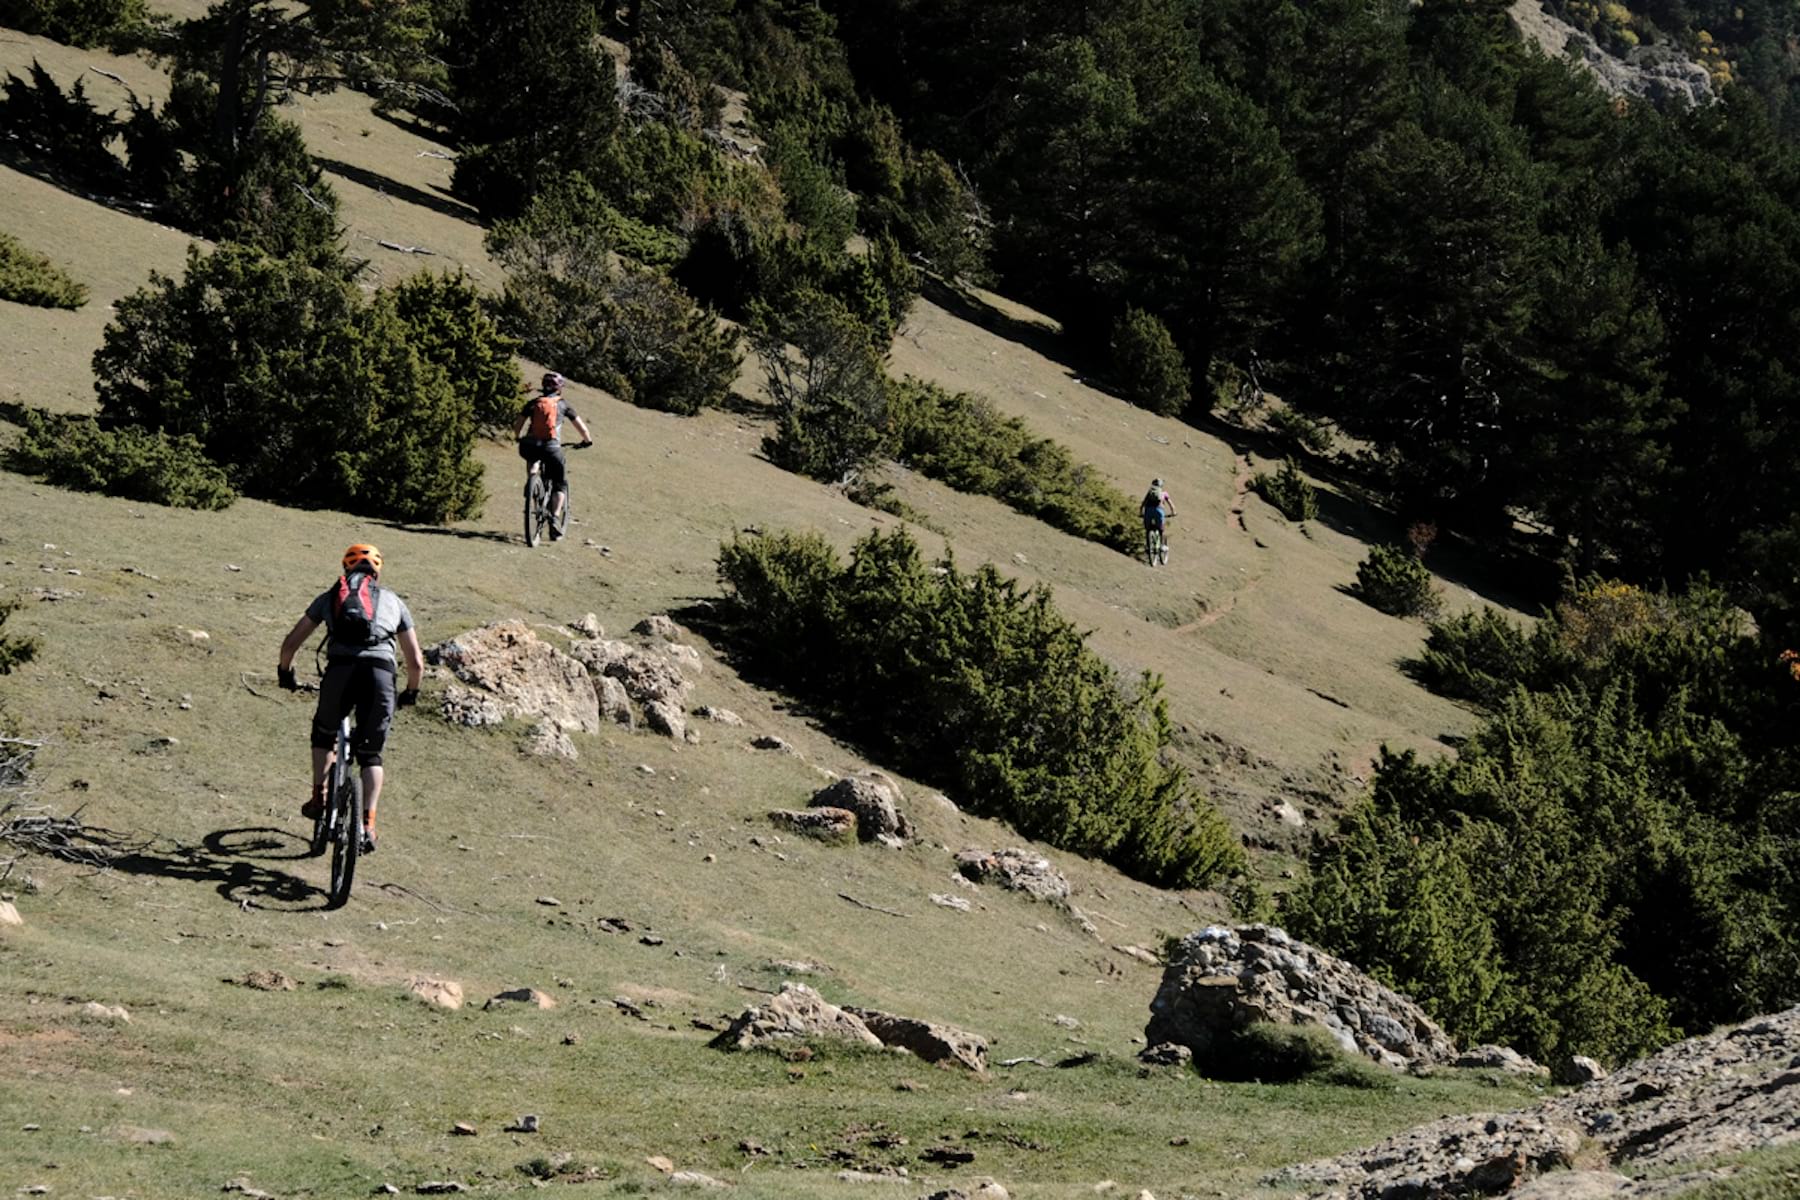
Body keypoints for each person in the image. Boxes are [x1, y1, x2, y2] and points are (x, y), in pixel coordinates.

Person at [276, 544, 424, 854]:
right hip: (380, 676)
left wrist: (285, 673)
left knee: (324, 733)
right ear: (377, 572)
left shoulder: (331, 597)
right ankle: (368, 824)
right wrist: (410, 692)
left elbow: (290, 644)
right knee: (371, 755)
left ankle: (319, 796)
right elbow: (416, 663)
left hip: (340, 672)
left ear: (346, 568)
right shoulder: (394, 602)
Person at [515, 371, 594, 541]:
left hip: (530, 445)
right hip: (551, 448)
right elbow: (582, 428)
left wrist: (518, 437)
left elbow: (518, 424)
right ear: (559, 388)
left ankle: (532, 483)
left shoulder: (533, 403)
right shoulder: (563, 404)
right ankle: (555, 518)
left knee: (532, 460)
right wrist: (587, 441)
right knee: (560, 483)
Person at [1141, 477, 1176, 565]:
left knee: (1148, 529)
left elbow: (1143, 503)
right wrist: (1173, 513)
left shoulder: (1150, 492)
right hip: (1159, 511)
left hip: (1148, 511)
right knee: (1160, 530)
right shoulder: (1164, 493)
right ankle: (1161, 546)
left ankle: (1148, 547)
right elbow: (1171, 505)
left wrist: (1141, 512)